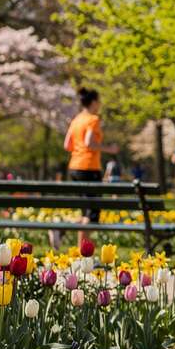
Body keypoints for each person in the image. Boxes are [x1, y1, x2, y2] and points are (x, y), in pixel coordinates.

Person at [63, 87, 119, 251]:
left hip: (75, 167)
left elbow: (67, 145)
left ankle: (78, 247)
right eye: (99, 101)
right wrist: (109, 149)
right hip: (89, 168)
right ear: (93, 102)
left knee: (85, 212)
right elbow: (89, 143)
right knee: (92, 213)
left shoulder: (76, 119)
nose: (99, 104)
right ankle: (81, 250)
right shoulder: (93, 119)